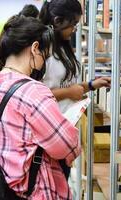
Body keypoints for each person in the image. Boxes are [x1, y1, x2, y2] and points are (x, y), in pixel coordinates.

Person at [0, 15, 80, 199]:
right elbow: (66, 146)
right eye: (46, 55)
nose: (44, 62)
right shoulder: (33, 92)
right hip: (31, 190)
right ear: (35, 48)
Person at [39, 0, 111, 178]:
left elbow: (68, 85)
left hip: (66, 129)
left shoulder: (62, 46)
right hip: (48, 133)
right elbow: (33, 96)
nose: (75, 29)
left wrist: (92, 85)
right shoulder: (40, 48)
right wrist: (68, 93)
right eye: (73, 24)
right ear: (57, 21)